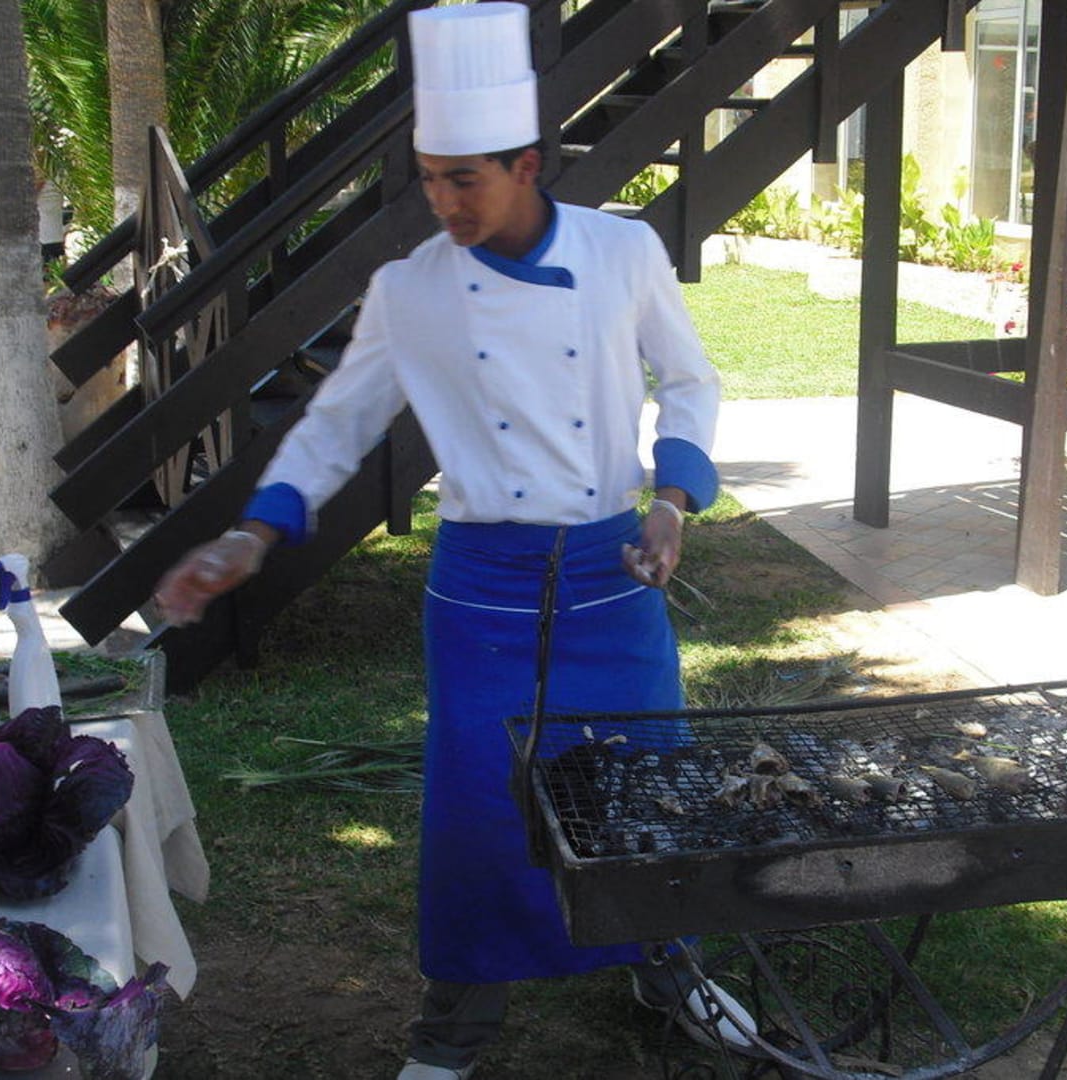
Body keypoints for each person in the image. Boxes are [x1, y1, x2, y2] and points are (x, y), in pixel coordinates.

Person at [153, 5, 754, 1077]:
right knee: (482, 812)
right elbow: (336, 422)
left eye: (462, 180)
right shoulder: (411, 290)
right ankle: (454, 1030)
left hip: (613, 575)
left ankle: (668, 968)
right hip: (482, 592)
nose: (442, 203)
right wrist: (254, 532)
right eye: (429, 180)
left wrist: (671, 502)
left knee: (646, 785)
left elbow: (691, 379)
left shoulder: (622, 252)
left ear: (527, 164)